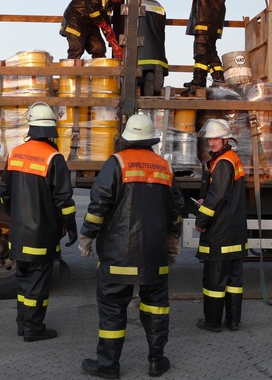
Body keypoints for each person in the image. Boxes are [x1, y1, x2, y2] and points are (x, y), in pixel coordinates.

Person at [79, 114, 185, 379]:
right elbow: (176, 212)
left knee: (112, 310)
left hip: (117, 255)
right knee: (156, 308)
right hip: (154, 255)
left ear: (126, 138)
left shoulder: (116, 163)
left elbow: (98, 205)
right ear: (151, 140)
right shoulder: (165, 167)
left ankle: (108, 366)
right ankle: (156, 362)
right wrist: (172, 243)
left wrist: (87, 237)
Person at [0, 102, 78, 342]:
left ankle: (22, 323)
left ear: (31, 126)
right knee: (38, 285)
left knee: (23, 282)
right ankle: (34, 329)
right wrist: (71, 227)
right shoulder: (54, 158)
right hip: (42, 235)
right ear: (52, 129)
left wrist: (16, 216)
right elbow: (64, 200)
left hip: (19, 233)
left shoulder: (15, 153)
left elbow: (4, 191)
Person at [194, 118, 247, 332]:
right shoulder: (231, 159)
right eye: (210, 139)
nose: (211, 143)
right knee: (234, 281)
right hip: (234, 232)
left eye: (215, 138)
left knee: (214, 282)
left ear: (226, 139)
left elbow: (217, 196)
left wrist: (201, 220)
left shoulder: (223, 162)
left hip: (220, 232)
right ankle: (233, 321)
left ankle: (212, 322)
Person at [172, 0, 228, 90]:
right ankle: (219, 80)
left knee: (201, 51)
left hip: (207, 21)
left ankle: (199, 80)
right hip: (206, 21)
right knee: (210, 52)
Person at [60, 0, 127, 60]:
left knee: (99, 49)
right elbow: (92, 9)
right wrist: (104, 26)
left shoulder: (107, 3)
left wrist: (113, 42)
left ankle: (99, 72)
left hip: (90, 23)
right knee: (77, 48)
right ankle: (70, 72)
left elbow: (105, 21)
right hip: (75, 20)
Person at [137, 0, 168, 96]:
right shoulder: (160, 7)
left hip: (140, 53)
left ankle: (143, 82)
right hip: (157, 53)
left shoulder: (135, 5)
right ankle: (152, 81)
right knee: (153, 73)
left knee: (136, 83)